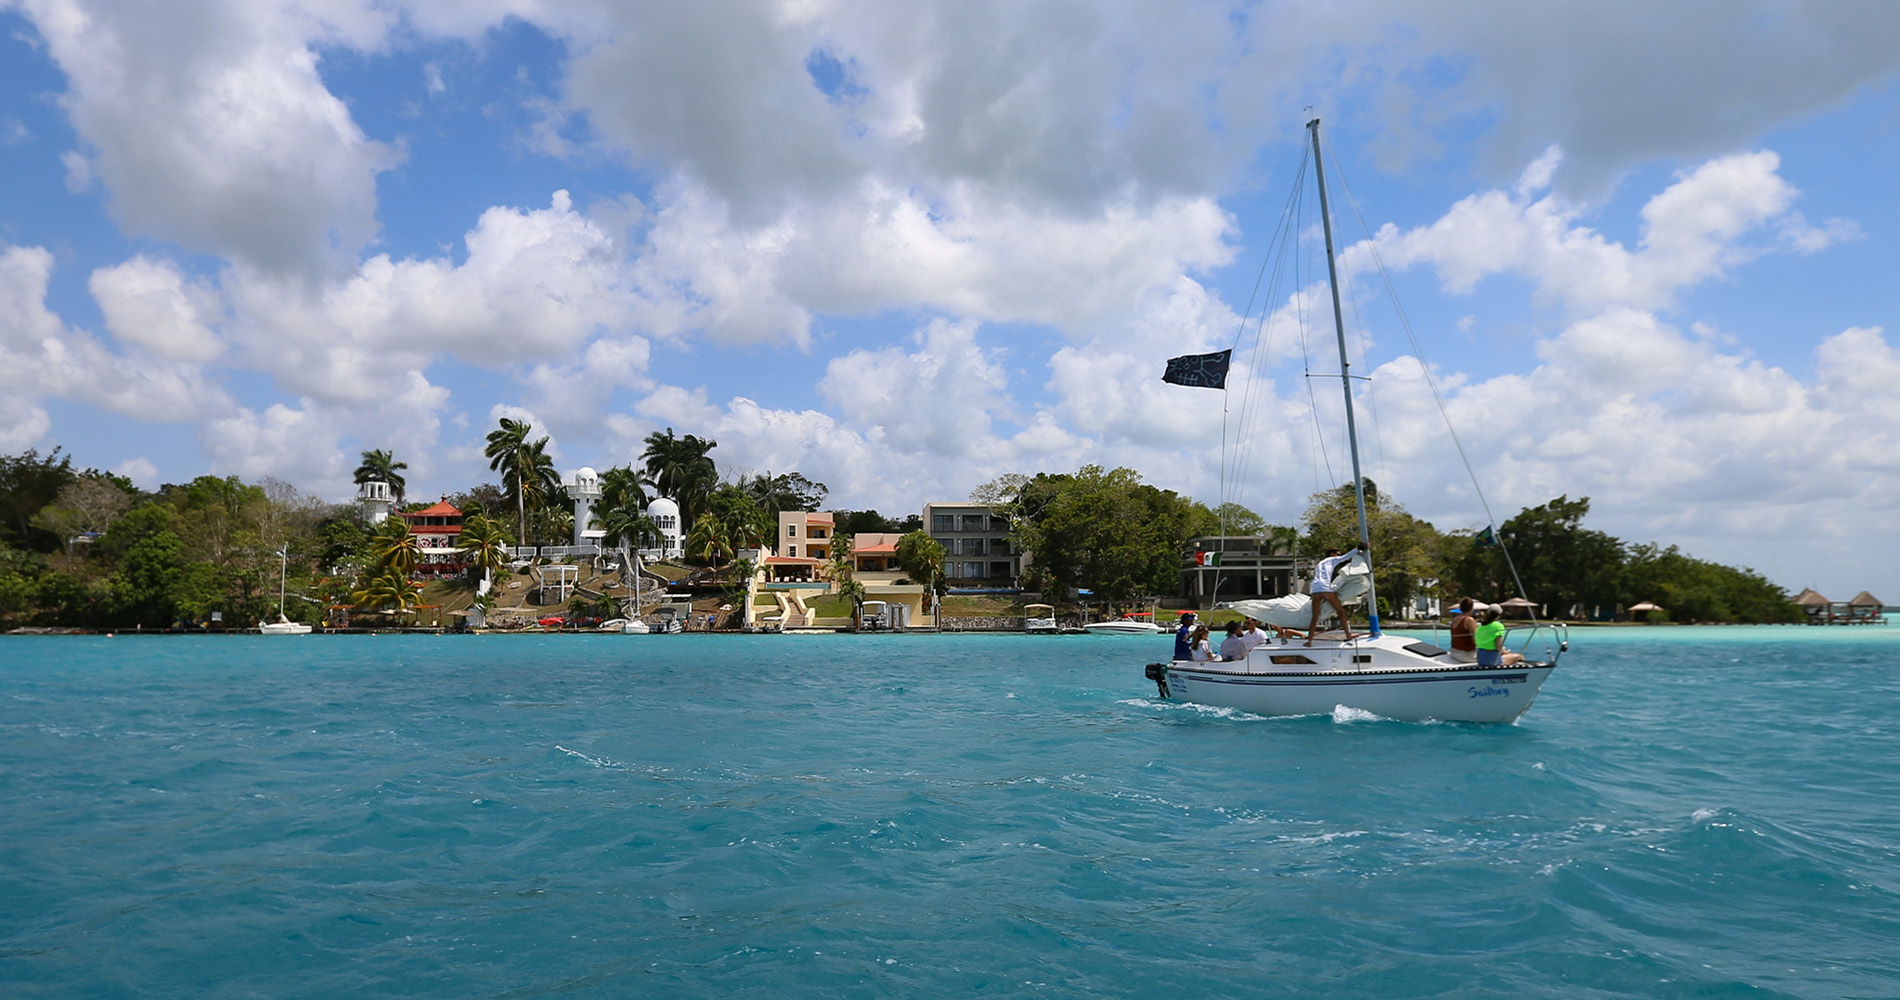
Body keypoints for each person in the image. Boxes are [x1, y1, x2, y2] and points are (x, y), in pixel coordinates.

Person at [1304, 544, 1364, 645]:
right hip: (1325, 588)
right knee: (1340, 612)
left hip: (1315, 590)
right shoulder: (1332, 560)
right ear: (1331, 554)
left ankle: (1309, 641)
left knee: (1315, 616)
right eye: (1337, 554)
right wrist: (1358, 548)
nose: (1338, 556)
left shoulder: (1320, 563)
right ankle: (1348, 635)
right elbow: (1346, 557)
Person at [1448, 598, 1478, 663]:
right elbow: (1476, 640)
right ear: (1472, 608)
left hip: (1454, 652)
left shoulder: (1454, 620)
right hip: (1466, 655)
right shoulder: (1469, 620)